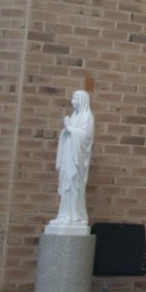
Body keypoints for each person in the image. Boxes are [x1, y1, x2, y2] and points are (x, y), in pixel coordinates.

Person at [52, 89, 95, 227]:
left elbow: (85, 137)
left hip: (77, 160)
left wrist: (69, 128)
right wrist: (66, 131)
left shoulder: (87, 117)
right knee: (66, 186)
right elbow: (69, 133)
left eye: (75, 99)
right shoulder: (74, 116)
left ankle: (75, 216)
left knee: (74, 185)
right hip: (68, 156)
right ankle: (64, 215)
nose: (72, 102)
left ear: (82, 100)